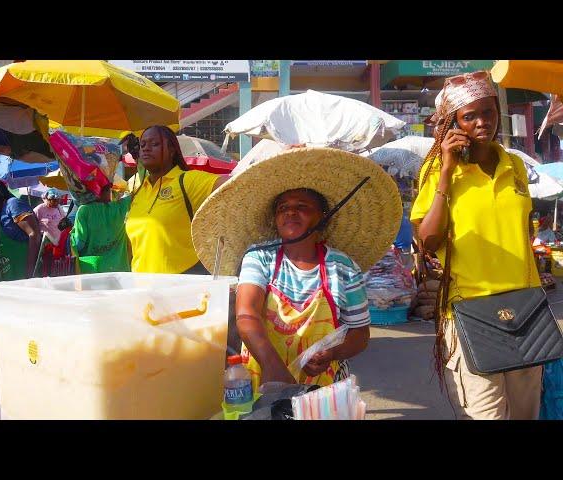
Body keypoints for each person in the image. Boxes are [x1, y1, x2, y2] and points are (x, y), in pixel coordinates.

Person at [191, 147, 402, 392]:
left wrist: (333, 352)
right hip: (264, 376)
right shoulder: (259, 257)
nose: (290, 211)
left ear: (323, 217)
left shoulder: (342, 267)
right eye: (282, 207)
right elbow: (246, 315)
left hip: (324, 386)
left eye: (302, 206)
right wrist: (274, 368)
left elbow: (360, 334)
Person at [411, 70, 543, 420]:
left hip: (526, 309)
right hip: (469, 312)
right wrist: (446, 173)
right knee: (486, 415)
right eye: (469, 116)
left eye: (488, 112)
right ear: (453, 124)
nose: (482, 122)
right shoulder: (440, 170)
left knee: (524, 415)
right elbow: (427, 241)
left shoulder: (514, 165)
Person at [124, 125, 228, 274]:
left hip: (181, 287)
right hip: (142, 288)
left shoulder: (188, 181)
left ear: (172, 150)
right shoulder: (137, 187)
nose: (146, 149)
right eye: (143, 145)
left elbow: (236, 182)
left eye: (155, 144)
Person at [70, 184, 131, 273]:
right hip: (119, 270)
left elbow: (79, 243)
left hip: (94, 271)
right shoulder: (119, 206)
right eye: (107, 190)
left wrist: (72, 236)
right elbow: (132, 195)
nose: (109, 193)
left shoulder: (84, 210)